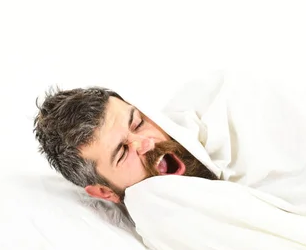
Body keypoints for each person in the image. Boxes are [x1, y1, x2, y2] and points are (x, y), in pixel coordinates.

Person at [33, 87, 218, 204]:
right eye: (122, 152)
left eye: (138, 124)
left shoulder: (212, 100)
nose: (147, 143)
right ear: (104, 191)